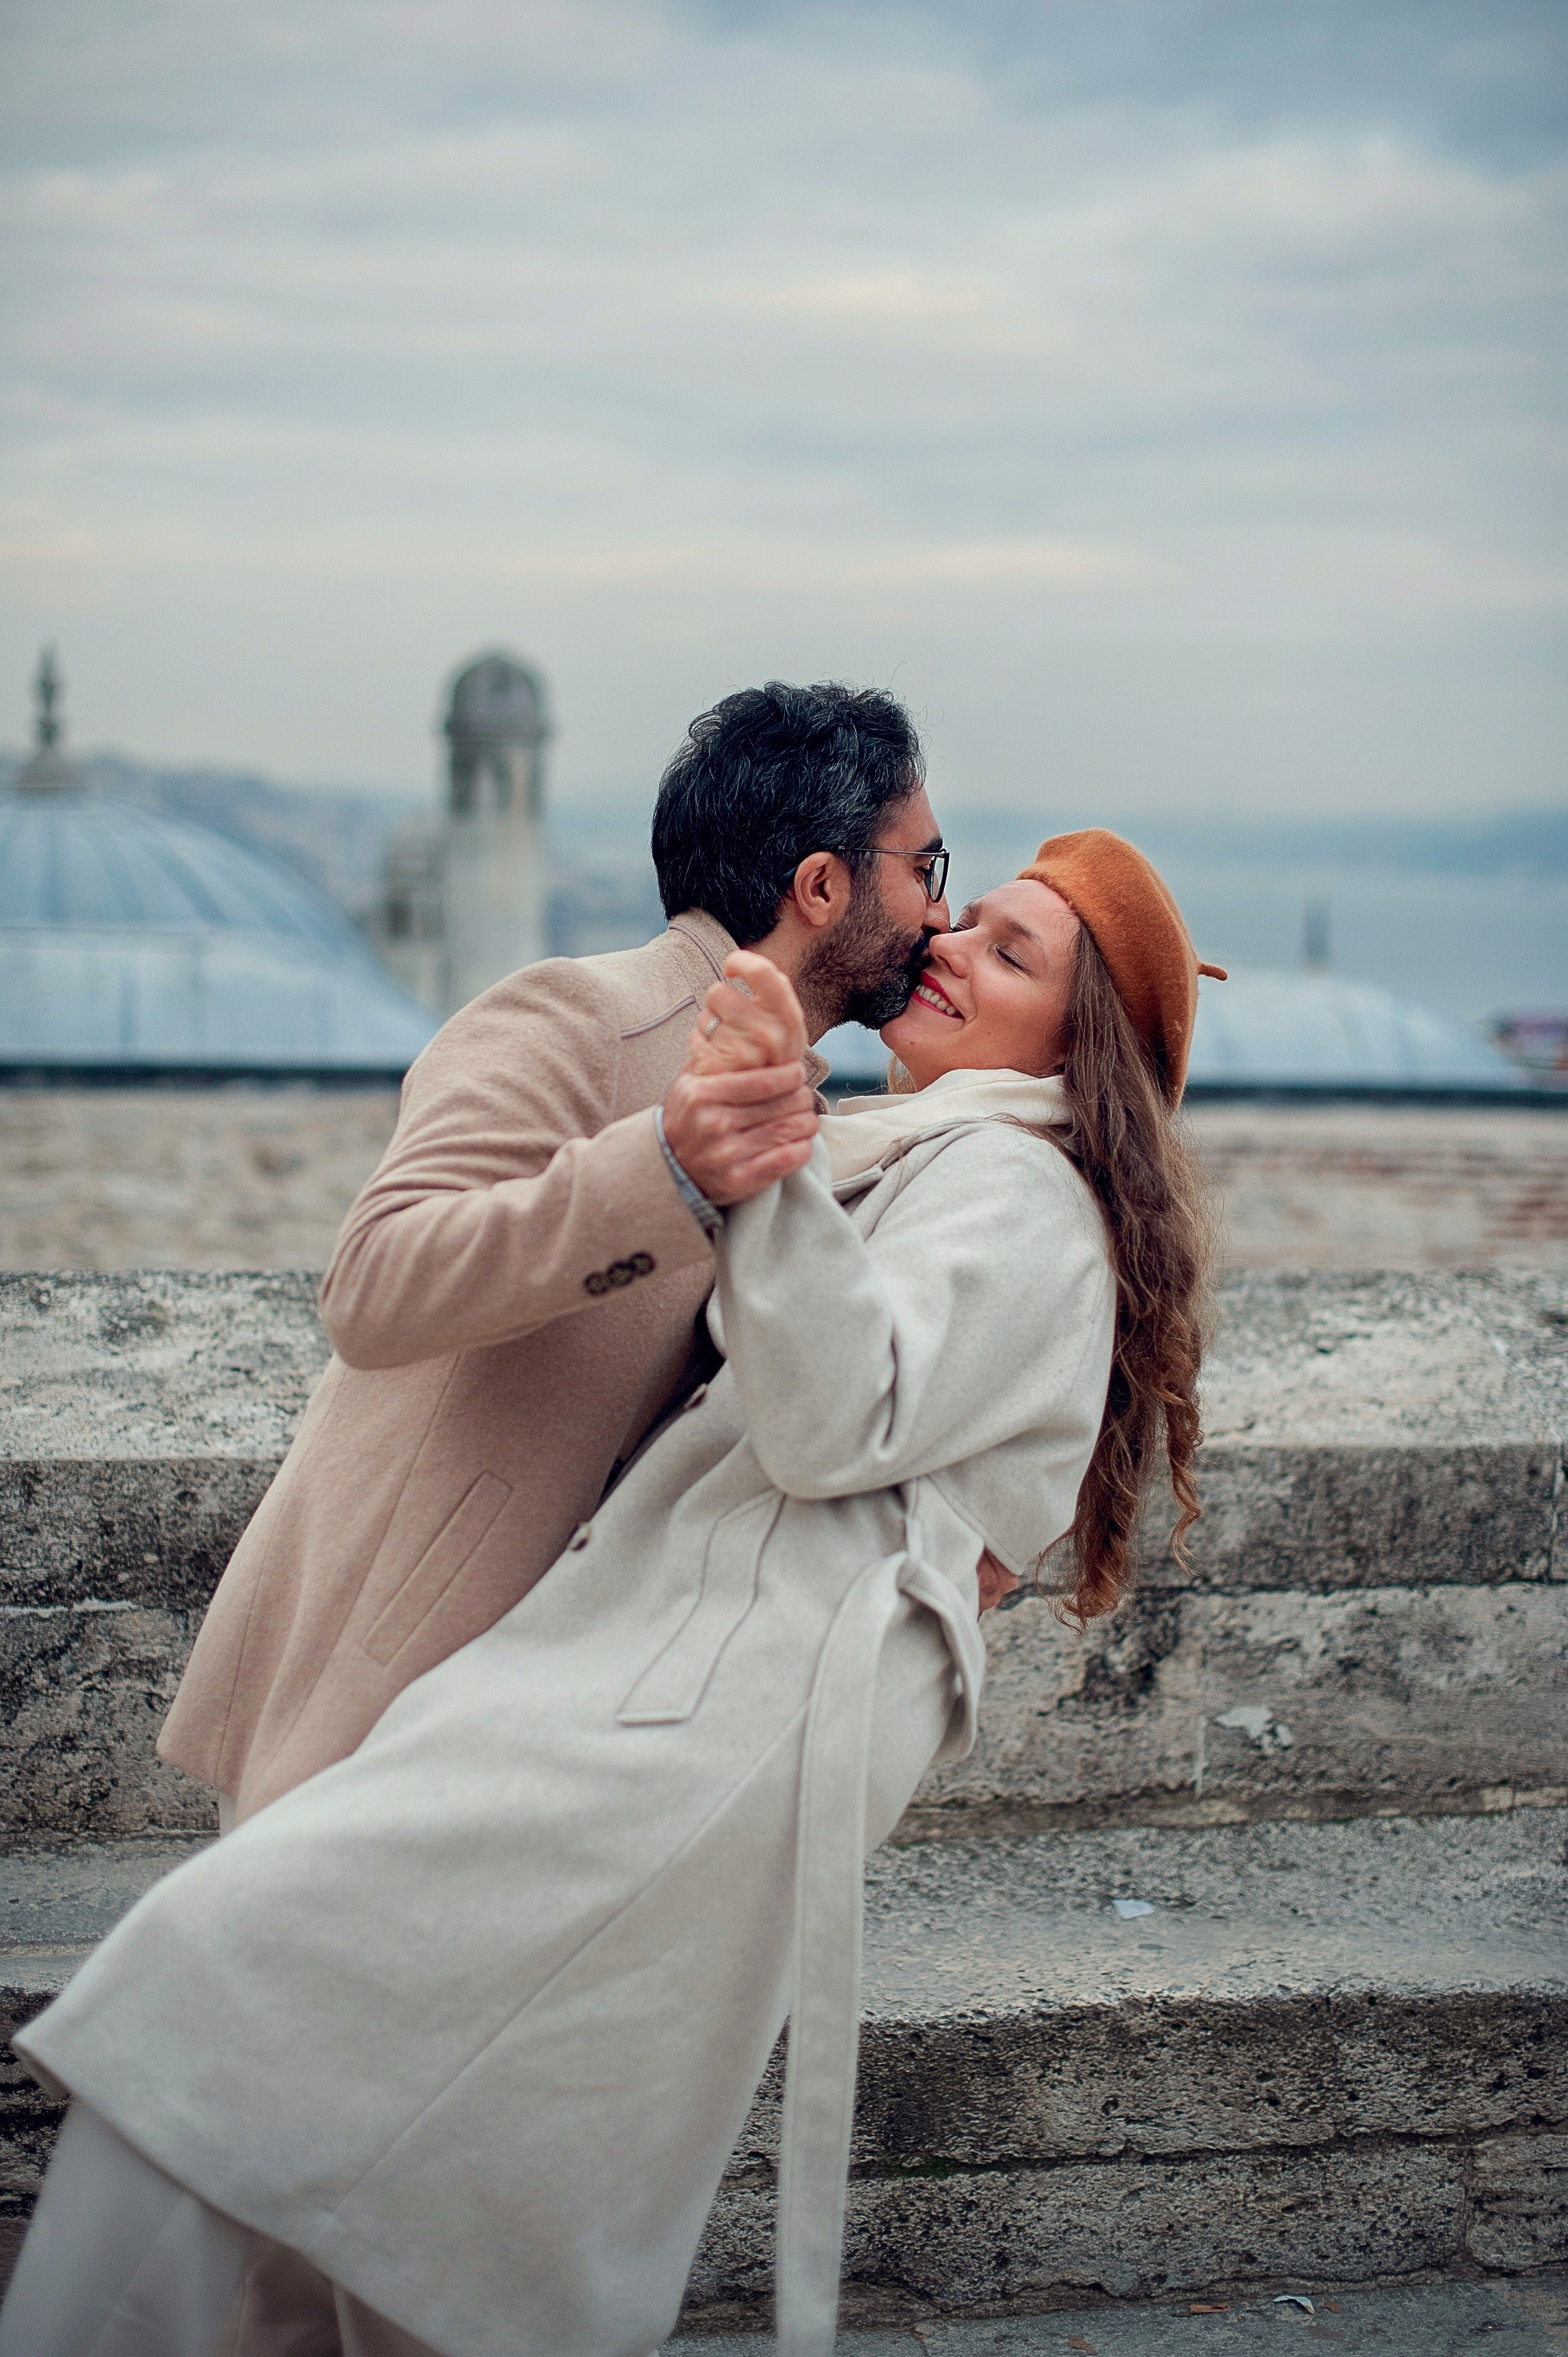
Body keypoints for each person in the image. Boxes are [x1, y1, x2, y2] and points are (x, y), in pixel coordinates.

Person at [2, 831, 1221, 2357]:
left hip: (702, 1714)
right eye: (964, 914)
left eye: (1009, 952)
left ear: (1075, 1045)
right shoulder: (939, 1160)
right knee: (433, 2152)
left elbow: (833, 1411)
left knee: (229, 1983)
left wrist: (762, 1152)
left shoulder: (1015, 1187)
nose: (951, 946)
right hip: (668, 1689)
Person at [156, 679, 951, 1827]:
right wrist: (664, 1176)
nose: (941, 910)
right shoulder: (578, 1016)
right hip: (388, 1708)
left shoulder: (804, 1110)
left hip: (558, 1741)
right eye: (923, 868)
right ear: (823, 886)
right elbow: (374, 1285)